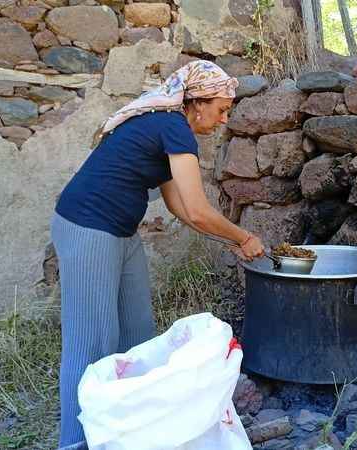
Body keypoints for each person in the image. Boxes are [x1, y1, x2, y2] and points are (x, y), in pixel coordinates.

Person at [50, 60, 266, 448]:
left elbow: (180, 208)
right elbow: (197, 210)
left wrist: (233, 242)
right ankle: (75, 442)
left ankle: (132, 435)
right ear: (197, 103)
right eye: (221, 110)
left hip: (120, 230)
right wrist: (245, 235)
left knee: (138, 337)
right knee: (92, 345)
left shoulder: (168, 127)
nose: (223, 120)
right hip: (87, 227)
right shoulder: (172, 126)